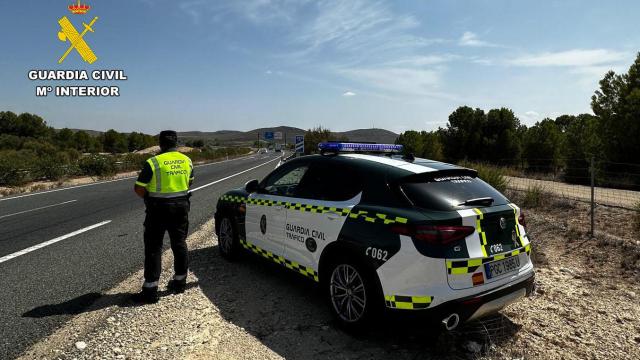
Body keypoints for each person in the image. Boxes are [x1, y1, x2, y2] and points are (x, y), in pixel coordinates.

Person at [132, 130, 194, 303]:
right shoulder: (187, 160)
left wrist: (149, 197)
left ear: (160, 144)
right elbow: (190, 182)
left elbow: (139, 188)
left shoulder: (153, 162)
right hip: (181, 207)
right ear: (176, 143)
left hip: (157, 209)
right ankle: (180, 282)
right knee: (179, 244)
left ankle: (150, 290)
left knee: (153, 248)